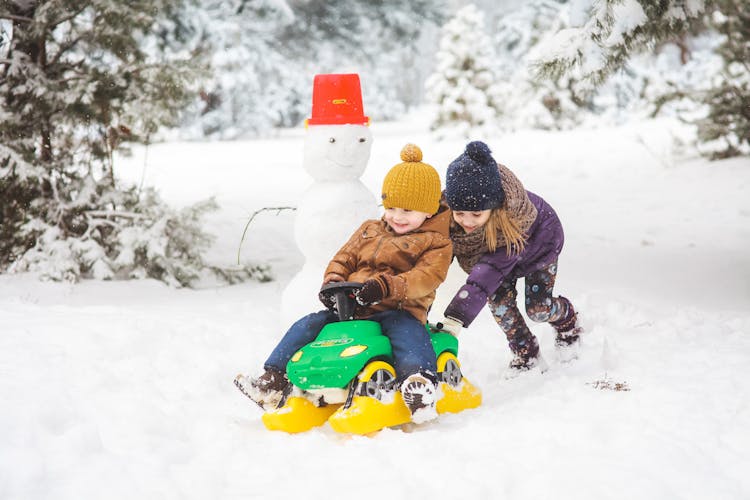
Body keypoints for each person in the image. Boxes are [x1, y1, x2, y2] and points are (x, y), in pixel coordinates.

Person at [235, 143, 452, 423]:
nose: (397, 216)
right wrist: (334, 282)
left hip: (398, 309)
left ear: (429, 211)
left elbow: (426, 278)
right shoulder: (368, 230)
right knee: (309, 324)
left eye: (408, 210)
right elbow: (344, 258)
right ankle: (274, 378)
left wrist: (387, 287)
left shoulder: (436, 243)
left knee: (407, 335)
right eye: (392, 207)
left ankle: (418, 383)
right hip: (352, 307)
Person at [436, 141, 583, 374]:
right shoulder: (449, 219)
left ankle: (567, 319)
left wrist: (456, 317)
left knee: (538, 309)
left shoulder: (511, 222)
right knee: (499, 303)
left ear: (493, 208)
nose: (467, 221)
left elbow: (486, 276)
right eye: (460, 213)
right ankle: (526, 353)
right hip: (495, 259)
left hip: (538, 248)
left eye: (476, 214)